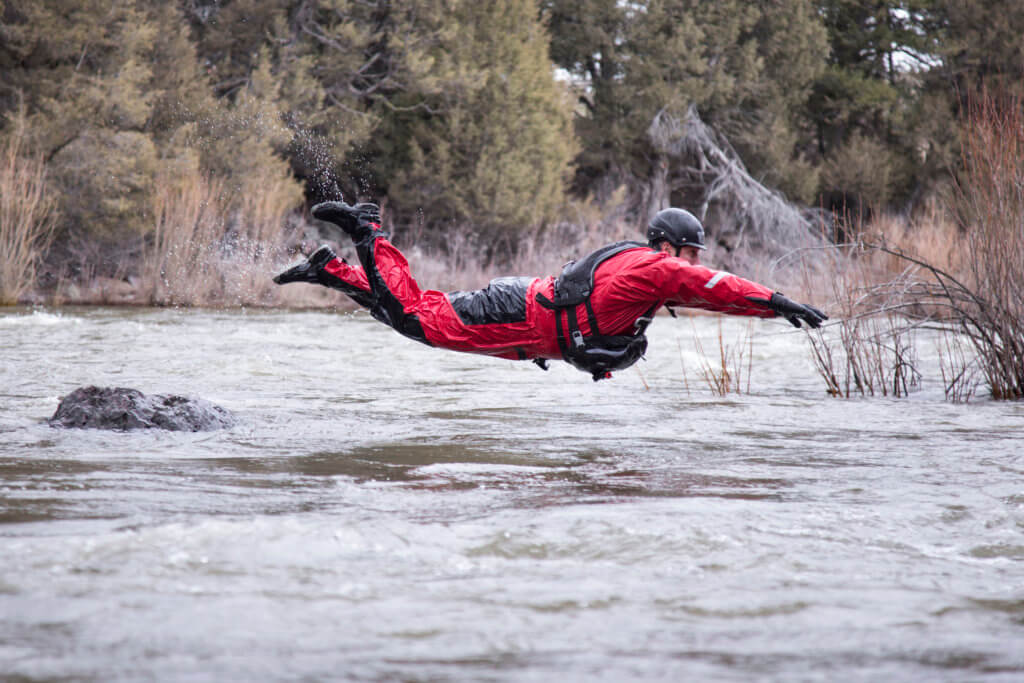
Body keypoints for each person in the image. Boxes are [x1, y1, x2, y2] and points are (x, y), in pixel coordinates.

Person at [273, 202, 826, 380]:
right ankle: (367, 229)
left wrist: (771, 311)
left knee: (409, 318)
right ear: (668, 245)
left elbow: (711, 296)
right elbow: (714, 285)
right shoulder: (656, 268)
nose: (695, 261)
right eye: (691, 251)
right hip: (518, 315)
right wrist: (775, 301)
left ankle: (330, 270)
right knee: (413, 316)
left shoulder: (650, 276)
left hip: (525, 326)